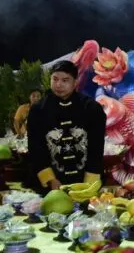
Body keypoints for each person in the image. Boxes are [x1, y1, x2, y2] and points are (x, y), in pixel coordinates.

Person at [27, 61, 106, 192]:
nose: (58, 84)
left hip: (85, 181)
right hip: (50, 184)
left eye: (65, 80)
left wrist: (89, 185)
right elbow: (36, 149)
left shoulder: (92, 108)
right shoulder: (38, 110)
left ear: (75, 82)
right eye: (55, 79)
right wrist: (50, 179)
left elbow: (96, 149)